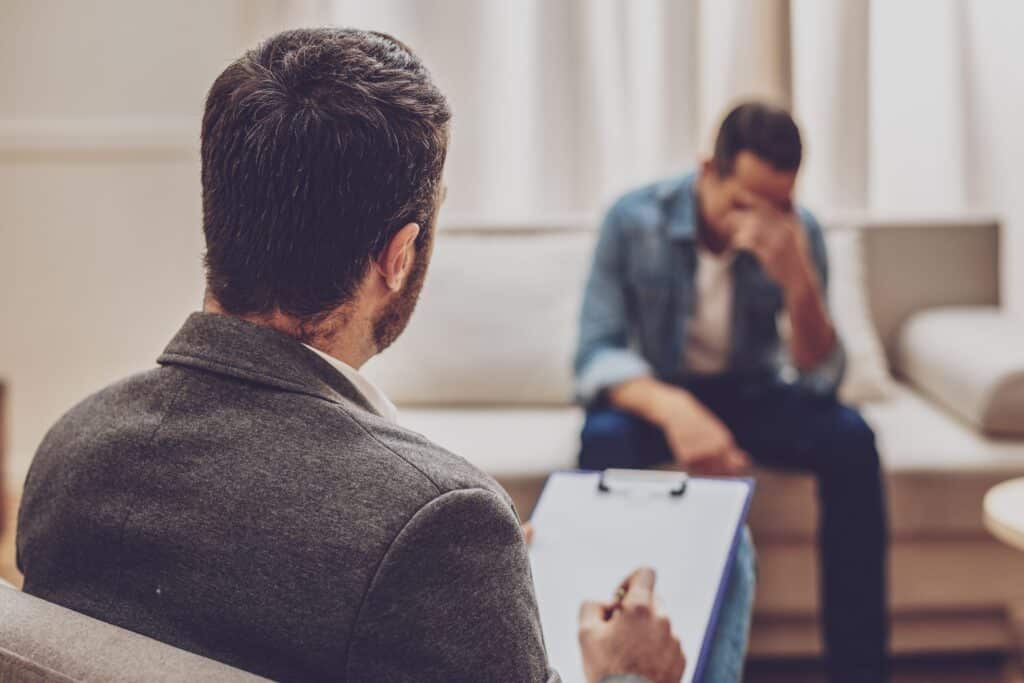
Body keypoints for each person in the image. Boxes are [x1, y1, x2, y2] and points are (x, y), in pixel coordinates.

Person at [17, 28, 751, 683]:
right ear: (398, 256)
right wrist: (628, 673)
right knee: (728, 567)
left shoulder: (70, 450)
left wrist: (475, 595)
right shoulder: (440, 520)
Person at [574, 102, 889, 683]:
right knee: (602, 437)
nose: (759, 222)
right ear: (707, 171)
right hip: (661, 389)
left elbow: (822, 378)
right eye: (744, 203)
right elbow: (596, 354)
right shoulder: (633, 218)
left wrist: (798, 281)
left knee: (852, 438)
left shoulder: (799, 233)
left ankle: (860, 672)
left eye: (780, 205)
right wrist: (676, 410)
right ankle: (603, 659)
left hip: (754, 393)